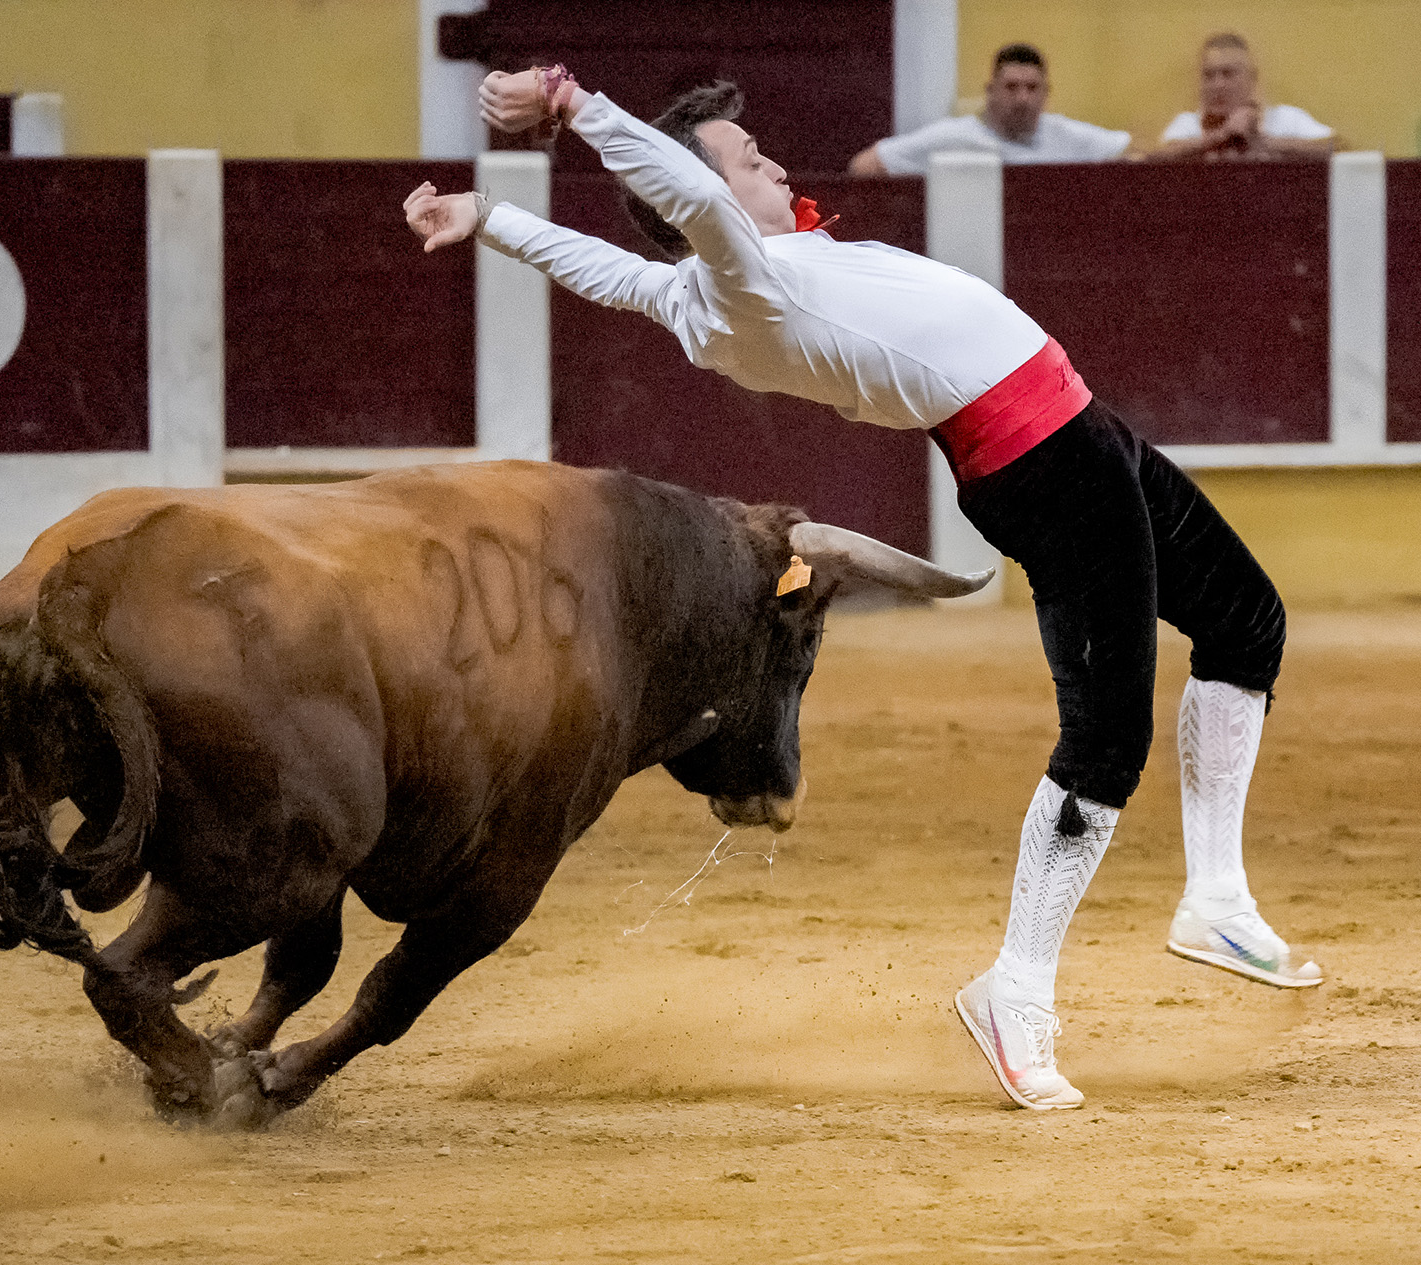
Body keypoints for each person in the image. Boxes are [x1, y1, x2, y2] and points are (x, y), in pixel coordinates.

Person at [404, 65, 1321, 1113]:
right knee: (1103, 741)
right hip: (1043, 464)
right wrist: (574, 108)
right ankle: (1013, 994)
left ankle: (1214, 896)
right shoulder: (742, 282)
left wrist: (485, 215)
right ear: (688, 198)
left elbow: (602, 270)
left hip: (1076, 430)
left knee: (1244, 621)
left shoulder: (711, 287)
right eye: (748, 159)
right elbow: (689, 203)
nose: (774, 165)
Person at [849, 43, 1129, 175]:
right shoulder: (952, 137)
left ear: (1046, 94)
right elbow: (864, 166)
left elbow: (1133, 156)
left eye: (1032, 88)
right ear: (990, 91)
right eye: (1011, 87)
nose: (1022, 99)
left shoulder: (1067, 135)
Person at [1147, 33, 1335, 161]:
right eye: (1208, 75)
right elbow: (1152, 158)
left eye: (1228, 74)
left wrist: (1262, 142)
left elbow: (1338, 149)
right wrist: (1220, 137)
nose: (1217, 84)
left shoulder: (1286, 118)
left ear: (1252, 79)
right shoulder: (1188, 124)